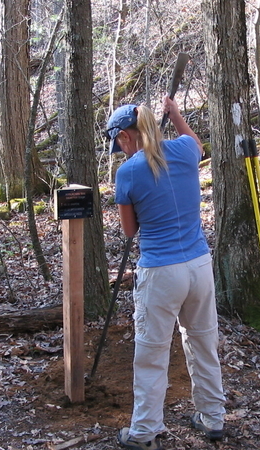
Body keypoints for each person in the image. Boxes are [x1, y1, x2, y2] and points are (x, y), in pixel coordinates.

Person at [106, 97, 226, 450]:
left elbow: (130, 231)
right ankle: (212, 418)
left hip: (161, 271)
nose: (119, 151)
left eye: (119, 144)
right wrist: (177, 116)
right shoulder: (185, 150)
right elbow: (197, 143)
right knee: (203, 342)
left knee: (152, 353)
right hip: (200, 266)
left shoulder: (128, 172)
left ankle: (143, 432)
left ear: (126, 137)